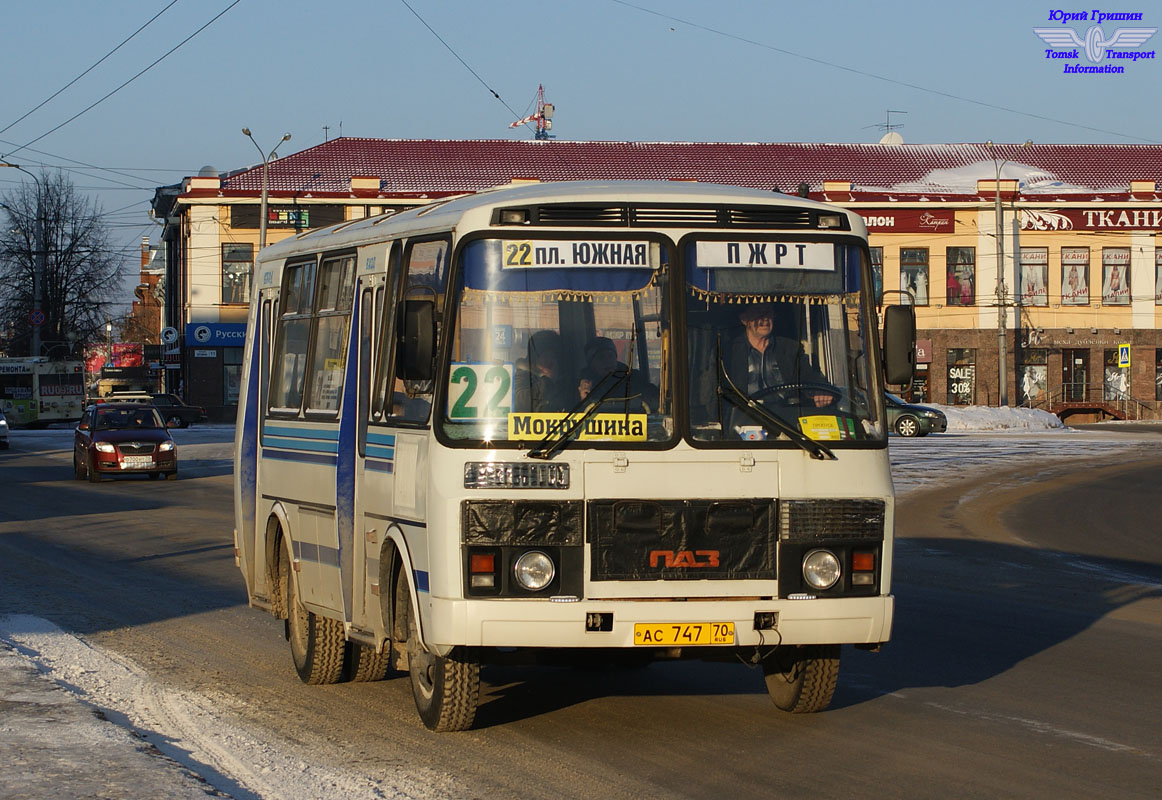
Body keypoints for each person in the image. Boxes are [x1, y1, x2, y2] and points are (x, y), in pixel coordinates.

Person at [726, 303, 832, 408]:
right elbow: (715, 394)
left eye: (768, 313)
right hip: (744, 418)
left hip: (783, 419)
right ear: (744, 319)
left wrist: (822, 390)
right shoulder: (729, 352)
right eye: (758, 313)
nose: (765, 318)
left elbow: (809, 376)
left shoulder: (790, 349)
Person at [577, 337, 658, 411]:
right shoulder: (583, 384)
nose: (607, 361)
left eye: (610, 356)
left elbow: (655, 399)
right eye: (601, 357)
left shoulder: (633, 378)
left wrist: (647, 396)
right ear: (591, 364)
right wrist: (583, 399)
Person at [513, 330, 573, 412]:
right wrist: (546, 380)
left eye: (554, 356)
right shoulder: (522, 376)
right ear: (534, 357)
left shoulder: (567, 380)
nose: (550, 360)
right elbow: (521, 402)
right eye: (546, 355)